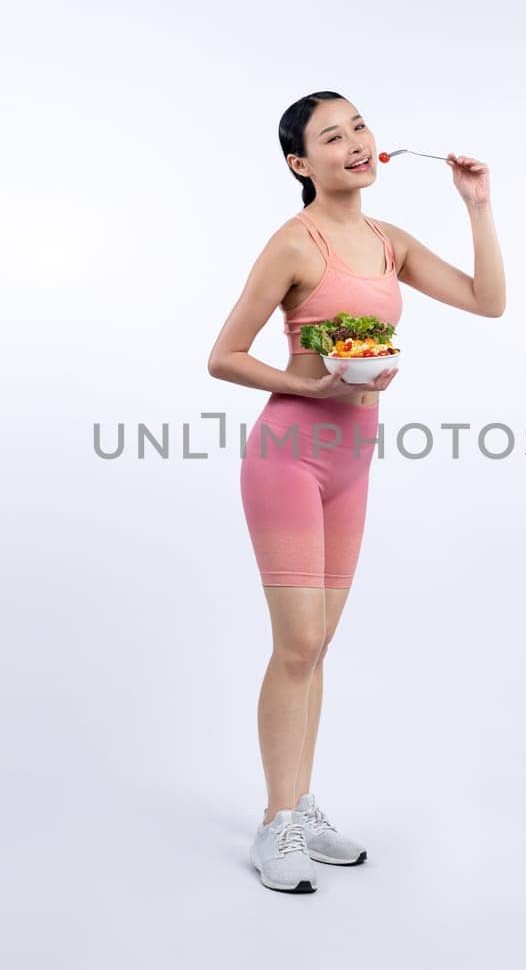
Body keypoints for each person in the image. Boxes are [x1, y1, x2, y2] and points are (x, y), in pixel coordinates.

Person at [207, 91, 506, 892]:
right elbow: (223, 356)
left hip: (354, 461)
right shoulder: (292, 245)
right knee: (297, 643)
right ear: (302, 165)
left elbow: (488, 301)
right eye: (332, 137)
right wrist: (321, 390)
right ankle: (276, 823)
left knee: (320, 645)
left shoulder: (389, 241)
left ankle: (301, 806)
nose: (357, 143)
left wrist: (476, 206)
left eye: (361, 127)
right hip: (287, 456)